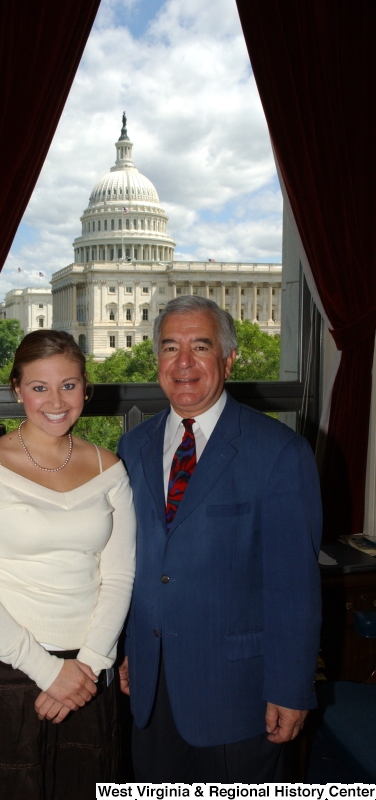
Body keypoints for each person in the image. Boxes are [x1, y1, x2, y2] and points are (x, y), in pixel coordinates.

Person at [117, 296, 322, 783]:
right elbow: (133, 562)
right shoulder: (132, 447)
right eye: (170, 347)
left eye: (200, 346)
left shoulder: (279, 452)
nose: (183, 362)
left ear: (228, 360)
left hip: (239, 694)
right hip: (150, 684)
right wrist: (127, 646)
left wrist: (291, 688)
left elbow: (294, 587)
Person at [0, 330, 136, 800]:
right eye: (39, 386)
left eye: (69, 385)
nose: (56, 401)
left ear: (86, 388)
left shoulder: (111, 469)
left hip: (89, 676)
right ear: (16, 389)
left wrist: (85, 667)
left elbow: (120, 577)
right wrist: (49, 672)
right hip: (6, 674)